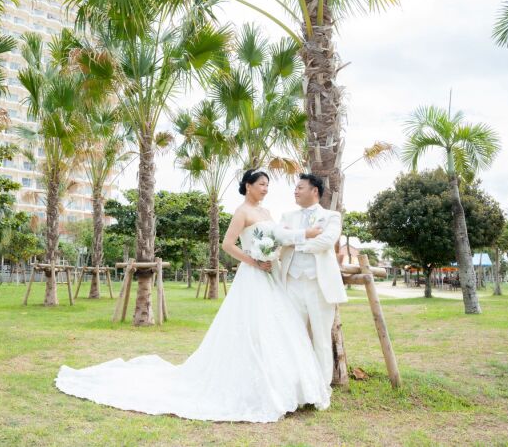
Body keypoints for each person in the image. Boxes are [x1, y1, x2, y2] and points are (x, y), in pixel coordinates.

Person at [54, 169, 331, 422]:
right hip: (252, 276)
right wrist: (252, 260)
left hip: (270, 277)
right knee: (250, 328)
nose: (265, 189)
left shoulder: (268, 212)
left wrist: (292, 242)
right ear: (248, 186)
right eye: (261, 185)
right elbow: (227, 244)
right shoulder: (242, 211)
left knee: (277, 329)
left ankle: (289, 388)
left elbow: (279, 236)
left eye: (267, 186)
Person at [274, 173, 348, 386]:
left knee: (321, 339)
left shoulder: (332, 216)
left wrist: (296, 241)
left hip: (319, 285)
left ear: (314, 190)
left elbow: (326, 241)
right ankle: (296, 386)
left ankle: (321, 387)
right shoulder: (287, 216)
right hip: (291, 283)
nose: (295, 191)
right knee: (293, 336)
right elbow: (280, 237)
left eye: (300, 187)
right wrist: (305, 234)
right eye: (295, 188)